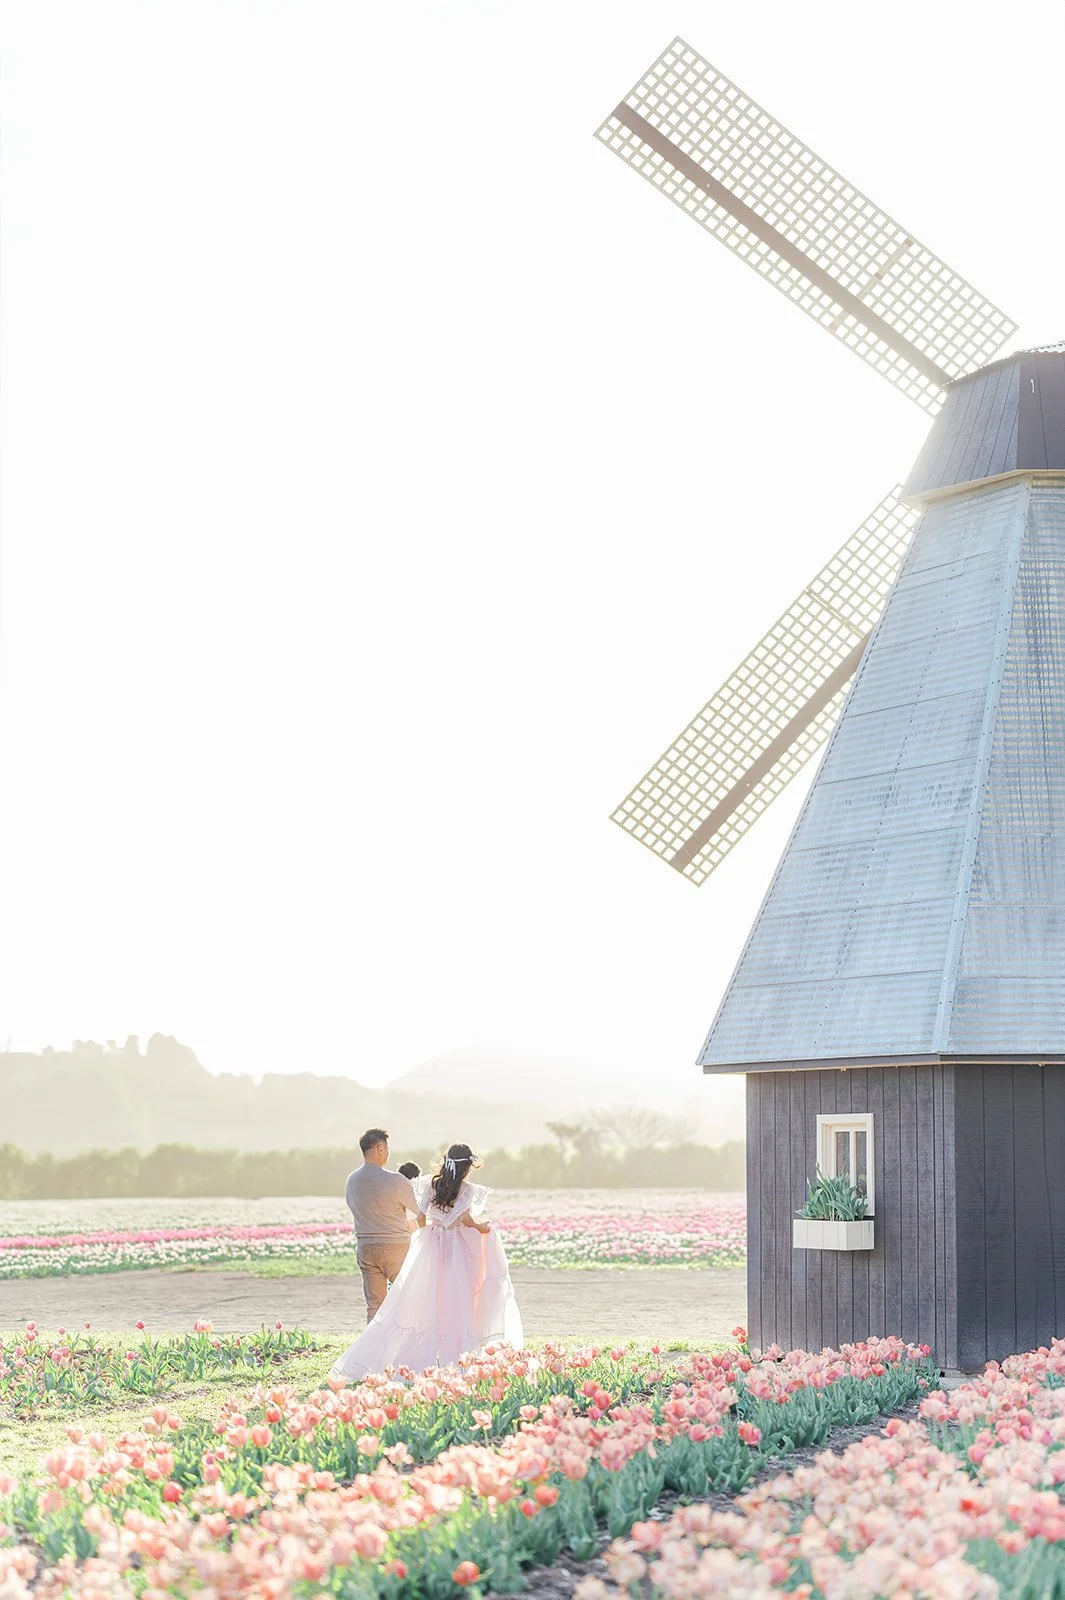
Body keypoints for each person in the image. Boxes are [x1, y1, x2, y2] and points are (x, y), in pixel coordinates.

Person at [331, 1142, 523, 1382]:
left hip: (431, 1246)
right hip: (455, 1251)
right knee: (456, 1300)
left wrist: (428, 1235)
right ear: (466, 1168)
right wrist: (481, 1227)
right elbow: (466, 1220)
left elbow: (421, 1217)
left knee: (426, 1299)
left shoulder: (431, 1185)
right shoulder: (466, 1190)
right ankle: (458, 1358)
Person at [345, 1129, 418, 1322]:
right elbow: (420, 1210)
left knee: (374, 1306)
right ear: (380, 1148)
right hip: (395, 1247)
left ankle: (373, 1350)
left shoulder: (351, 1180)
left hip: (365, 1247)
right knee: (411, 1297)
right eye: (386, 1149)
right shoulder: (395, 1180)